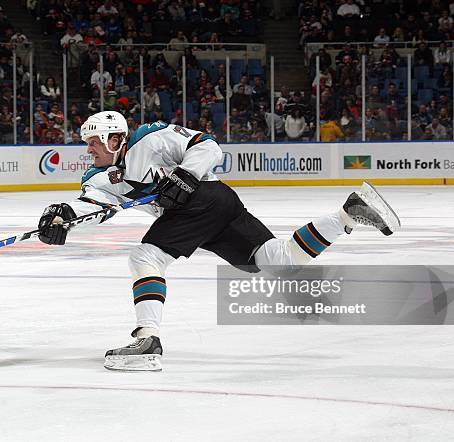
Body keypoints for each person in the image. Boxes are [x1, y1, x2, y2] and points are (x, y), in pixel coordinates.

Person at [36, 111, 400, 371]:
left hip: (205, 197)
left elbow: (207, 145)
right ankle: (348, 215)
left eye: (93, 142)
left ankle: (147, 338)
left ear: (115, 137)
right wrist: (63, 218)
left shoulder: (150, 137)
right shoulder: (99, 177)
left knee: (146, 257)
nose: (89, 150)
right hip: (214, 208)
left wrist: (185, 176)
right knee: (277, 261)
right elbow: (94, 206)